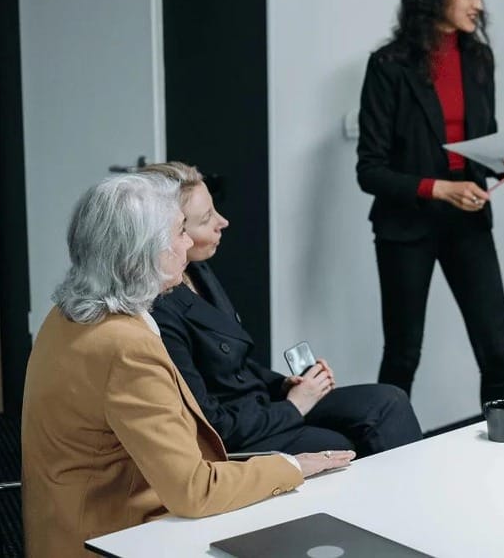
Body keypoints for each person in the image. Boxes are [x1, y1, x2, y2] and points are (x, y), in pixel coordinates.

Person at [21, 174, 353, 558]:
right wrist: (293, 467)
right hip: (114, 537)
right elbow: (194, 491)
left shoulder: (67, 314)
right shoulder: (125, 347)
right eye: (180, 231)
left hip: (68, 523)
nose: (187, 242)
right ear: (145, 254)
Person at [142, 162, 422, 457]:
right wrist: (294, 407)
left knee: (389, 401)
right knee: (340, 442)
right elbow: (210, 425)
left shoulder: (197, 269)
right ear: (169, 232)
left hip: (262, 404)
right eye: (206, 219)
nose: (223, 222)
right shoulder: (159, 310)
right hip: (239, 431)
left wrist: (284, 385)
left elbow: (235, 365)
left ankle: (411, 499)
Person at [356, 0, 504, 404]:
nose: (479, 4)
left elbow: (481, 143)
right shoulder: (389, 65)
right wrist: (440, 189)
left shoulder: (479, 59)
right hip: (406, 227)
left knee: (498, 352)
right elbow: (370, 171)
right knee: (402, 354)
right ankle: (386, 452)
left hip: (468, 222)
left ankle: (503, 447)